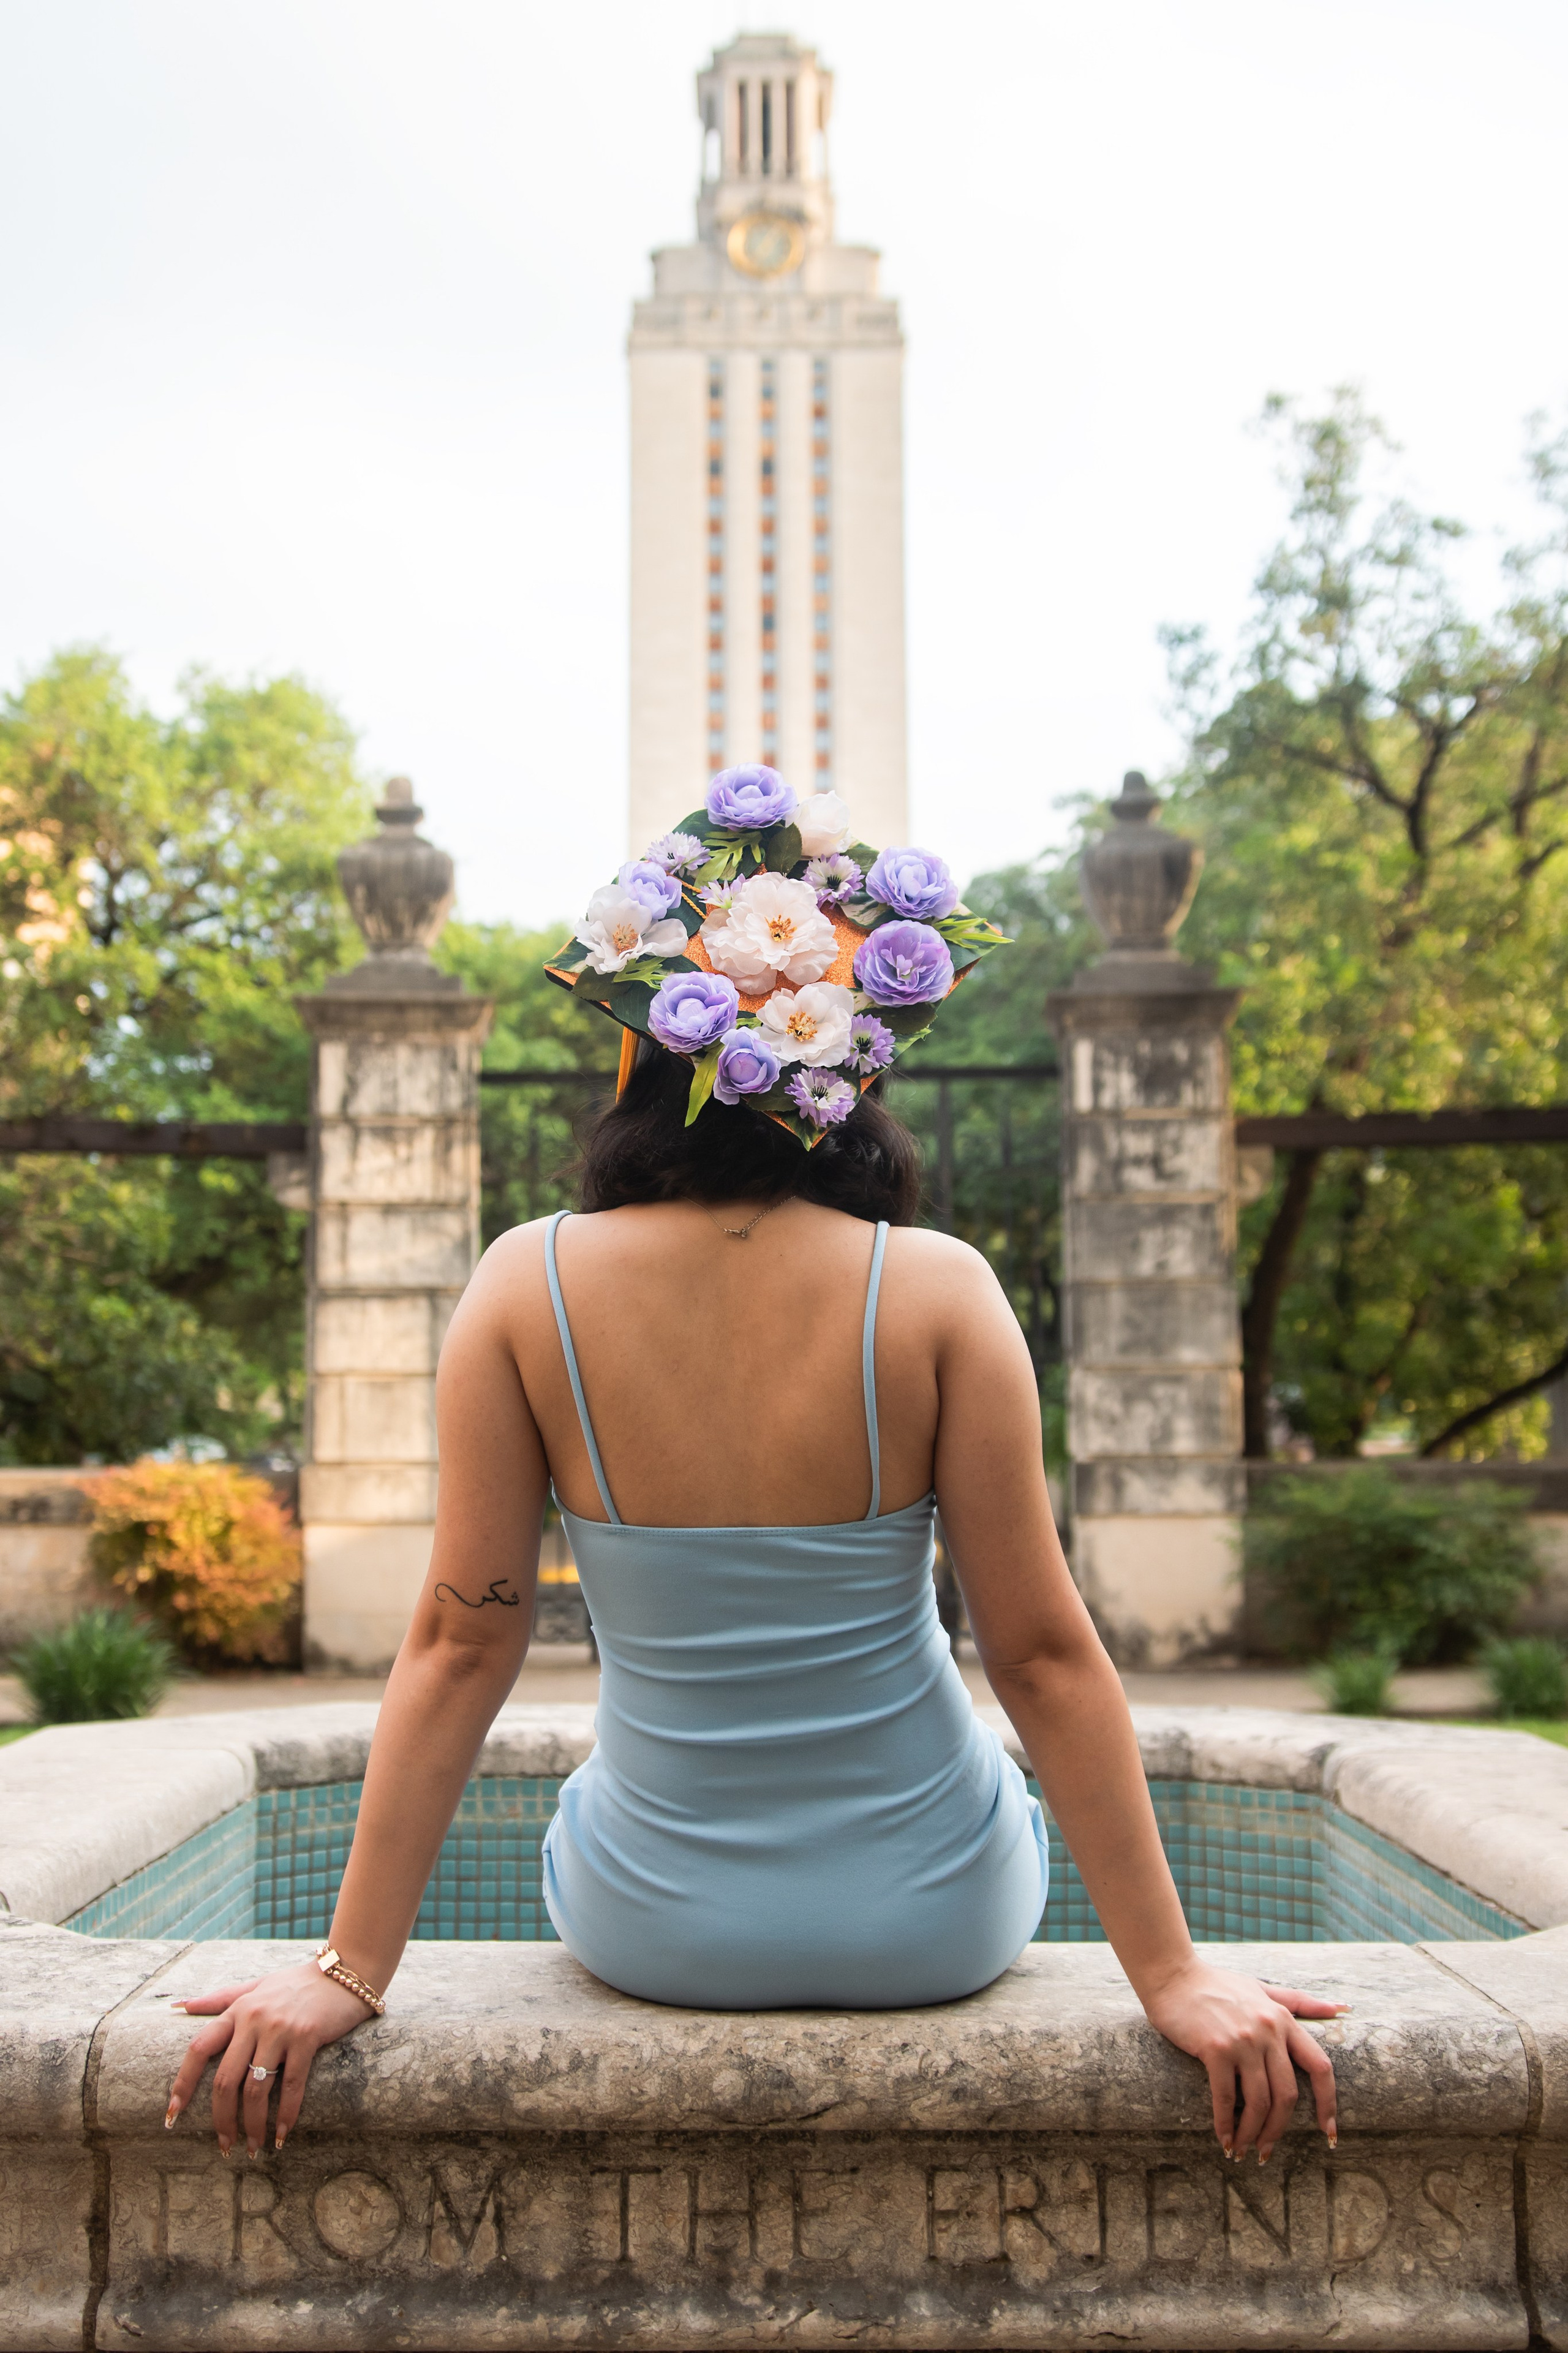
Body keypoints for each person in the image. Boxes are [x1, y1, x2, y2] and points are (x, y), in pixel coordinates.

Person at [167, 775, 1343, 2167]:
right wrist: (1172, 1974)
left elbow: (455, 1642)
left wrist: (349, 1968)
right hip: (941, 1920)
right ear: (855, 1063)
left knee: (588, 1795)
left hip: (654, 1926)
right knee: (982, 1767)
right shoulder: (940, 1293)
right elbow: (1036, 1654)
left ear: (644, 1040)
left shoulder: (521, 1285)